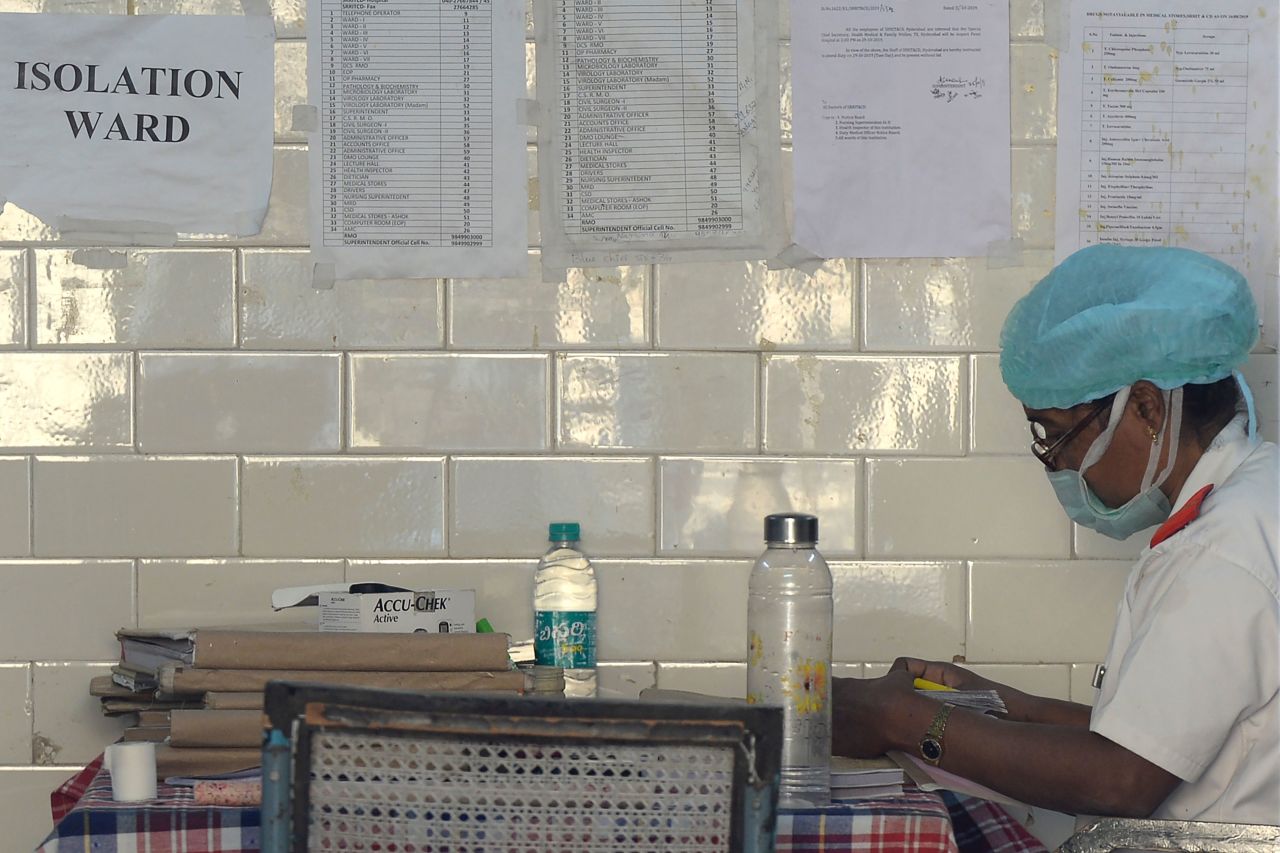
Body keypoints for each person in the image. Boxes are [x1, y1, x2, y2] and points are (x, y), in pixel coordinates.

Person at [832, 244, 1278, 824]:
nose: (1058, 467)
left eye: (1056, 435)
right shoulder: (1251, 495)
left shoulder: (1223, 550)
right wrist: (1010, 709)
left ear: (1145, 407)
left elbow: (1121, 779)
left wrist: (904, 722)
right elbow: (1162, 735)